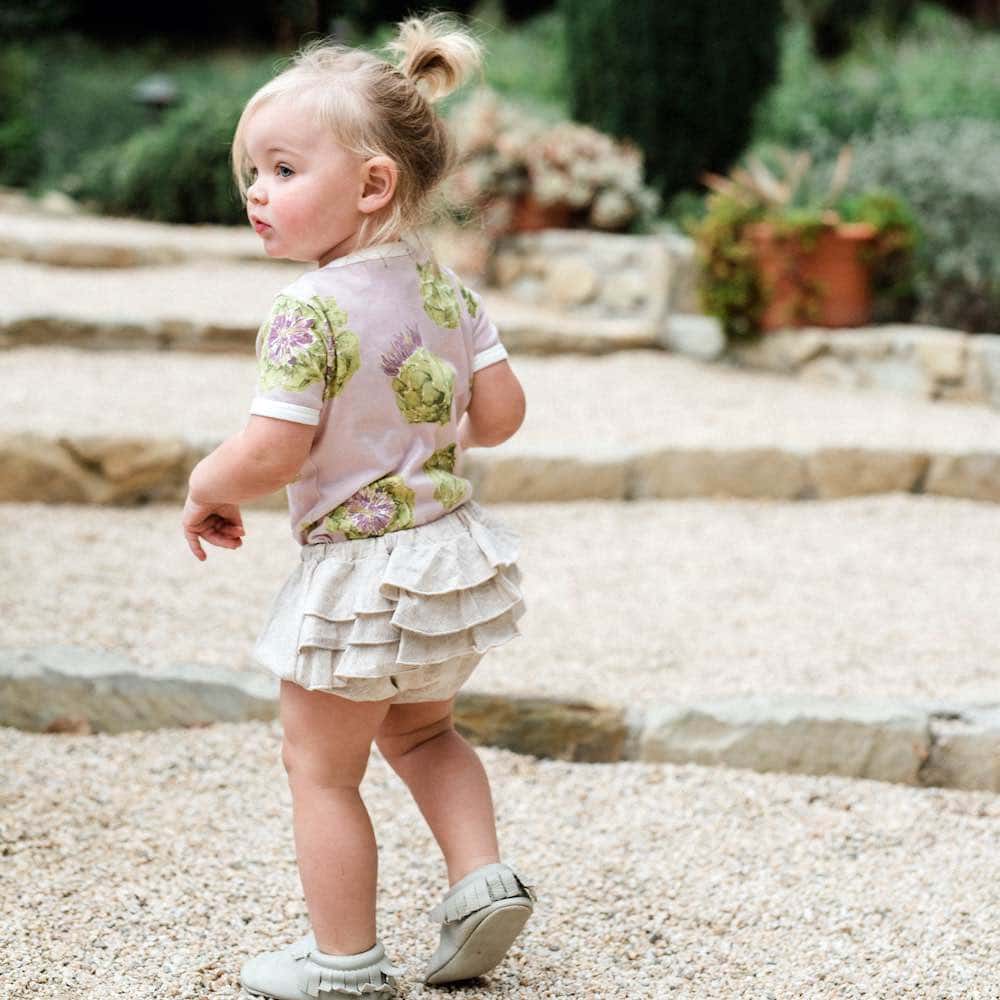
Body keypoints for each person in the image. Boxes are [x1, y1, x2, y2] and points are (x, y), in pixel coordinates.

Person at [179, 13, 537, 1000]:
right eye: (252, 172)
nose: (256, 191)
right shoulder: (443, 288)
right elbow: (501, 416)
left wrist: (207, 484)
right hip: (447, 565)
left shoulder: (310, 308)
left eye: (283, 170)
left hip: (358, 581)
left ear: (373, 185)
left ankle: (344, 965)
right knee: (423, 733)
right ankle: (481, 879)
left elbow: (272, 451)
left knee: (321, 770)